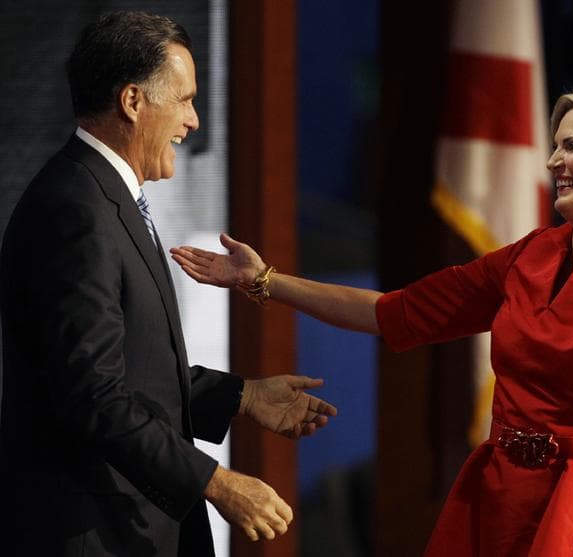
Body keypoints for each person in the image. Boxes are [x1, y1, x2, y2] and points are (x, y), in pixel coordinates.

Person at [171, 85, 573, 556]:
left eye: (572, 147)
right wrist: (263, 279)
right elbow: (394, 312)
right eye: (554, 145)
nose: (550, 162)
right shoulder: (530, 256)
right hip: (499, 493)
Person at [0, 11, 336, 557]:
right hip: (94, 533)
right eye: (183, 99)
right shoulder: (76, 210)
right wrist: (217, 482)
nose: (195, 120)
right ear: (133, 102)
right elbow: (93, 396)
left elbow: (129, 368)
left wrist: (242, 396)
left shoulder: (101, 196)